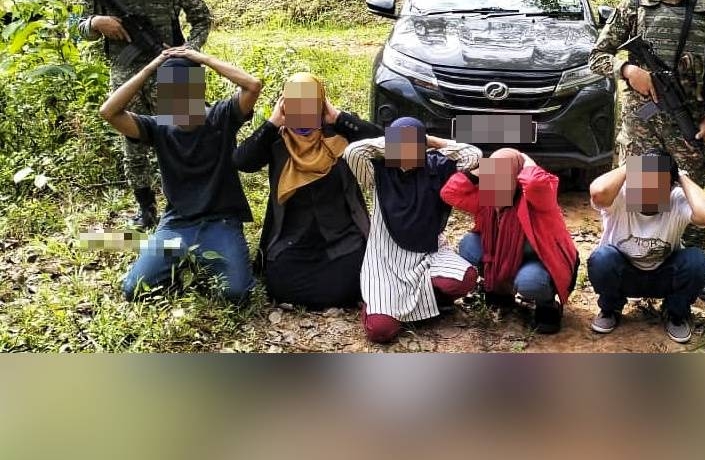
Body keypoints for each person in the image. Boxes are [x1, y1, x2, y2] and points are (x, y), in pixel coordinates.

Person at [588, 0, 705, 301]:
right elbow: (597, 55)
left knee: (691, 188)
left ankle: (696, 270)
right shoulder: (634, 6)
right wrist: (626, 70)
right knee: (636, 194)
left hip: (687, 120)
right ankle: (627, 264)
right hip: (641, 122)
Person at [78, 0, 213, 230]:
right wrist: (96, 22)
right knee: (133, 143)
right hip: (127, 74)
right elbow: (77, 24)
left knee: (188, 137)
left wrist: (187, 53)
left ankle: (193, 202)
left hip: (175, 68)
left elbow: (202, 19)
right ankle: (146, 208)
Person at [98, 46, 262, 302]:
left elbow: (252, 85)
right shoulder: (158, 127)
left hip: (220, 222)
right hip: (177, 225)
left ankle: (195, 261)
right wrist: (151, 67)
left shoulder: (221, 116)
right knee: (135, 289)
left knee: (235, 293)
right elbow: (109, 112)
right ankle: (178, 259)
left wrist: (203, 59)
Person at [233, 73, 383, 310]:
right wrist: (272, 123)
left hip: (341, 239)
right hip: (293, 242)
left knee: (351, 281)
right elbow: (242, 161)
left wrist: (337, 117)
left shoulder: (341, 135)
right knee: (280, 284)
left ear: (320, 103)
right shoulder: (278, 141)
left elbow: (384, 142)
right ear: (285, 105)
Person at [343, 117, 481, 344]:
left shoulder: (436, 166)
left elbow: (473, 154)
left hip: (429, 253)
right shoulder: (378, 171)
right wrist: (393, 140)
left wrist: (429, 141)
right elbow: (353, 152)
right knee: (380, 331)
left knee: (465, 279)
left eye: (412, 145)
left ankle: (430, 301)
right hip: (386, 261)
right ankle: (386, 306)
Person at [440, 148, 579, 334]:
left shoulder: (537, 201)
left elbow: (536, 182)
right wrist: (480, 170)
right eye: (492, 175)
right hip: (504, 258)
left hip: (538, 262)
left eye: (503, 176)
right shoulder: (486, 200)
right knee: (468, 245)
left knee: (530, 282)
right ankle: (501, 291)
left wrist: (525, 159)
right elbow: (449, 193)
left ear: (517, 176)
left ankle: (547, 304)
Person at [587, 150, 705, 344]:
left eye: (657, 184)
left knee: (696, 261)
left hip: (663, 277)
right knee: (602, 258)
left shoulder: (676, 199)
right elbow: (598, 192)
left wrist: (680, 176)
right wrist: (633, 165)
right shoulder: (620, 197)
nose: (647, 189)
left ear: (671, 188)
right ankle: (610, 308)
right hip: (624, 276)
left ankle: (675, 313)